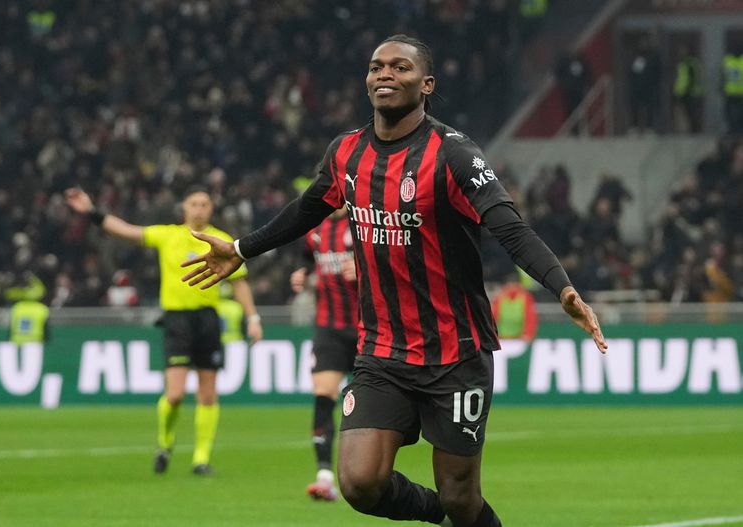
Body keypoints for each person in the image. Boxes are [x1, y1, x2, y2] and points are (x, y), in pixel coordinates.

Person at [182, 34, 607, 527]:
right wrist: (240, 249)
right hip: (383, 350)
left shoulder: (454, 154)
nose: (385, 74)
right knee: (359, 482)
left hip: (455, 352)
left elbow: (510, 228)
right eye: (376, 66)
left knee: (461, 496)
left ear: (426, 84)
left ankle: (454, 513)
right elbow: (306, 210)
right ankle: (439, 516)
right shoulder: (346, 152)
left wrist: (562, 287)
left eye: (400, 67)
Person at [65, 186, 263, 476]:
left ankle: (201, 458)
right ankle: (165, 443)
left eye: (204, 204)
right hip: (177, 320)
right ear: (184, 208)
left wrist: (253, 318)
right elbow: (126, 231)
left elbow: (239, 283)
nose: (199, 209)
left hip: (208, 319)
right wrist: (91, 211)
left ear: (211, 208)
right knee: (175, 395)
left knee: (208, 393)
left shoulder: (221, 240)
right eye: (194, 203)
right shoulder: (168, 235)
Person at [289, 205, 358, 501]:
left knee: (366, 402)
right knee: (323, 395)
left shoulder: (363, 223)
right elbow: (306, 259)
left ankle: (363, 473)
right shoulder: (314, 231)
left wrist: (364, 270)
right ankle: (325, 476)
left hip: (368, 328)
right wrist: (301, 274)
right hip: (329, 328)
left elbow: (395, 261)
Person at [491, 273, 538, 343]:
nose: (512, 288)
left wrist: (528, 334)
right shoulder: (499, 297)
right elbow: (493, 317)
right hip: (503, 339)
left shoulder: (499, 297)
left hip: (518, 339)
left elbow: (530, 317)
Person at [5, 273, 50, 345]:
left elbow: (10, 328)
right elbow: (46, 330)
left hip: (17, 342)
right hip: (35, 343)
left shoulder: (17, 307)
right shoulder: (42, 309)